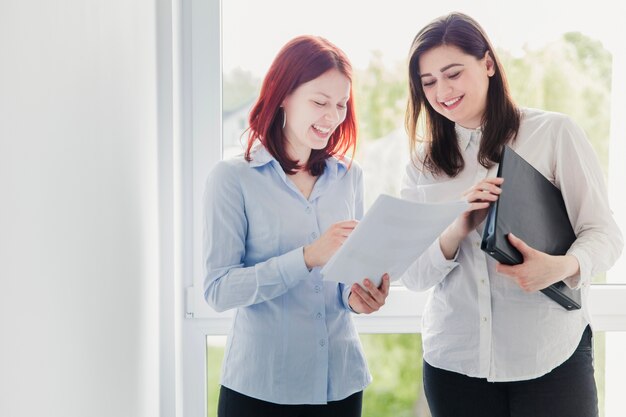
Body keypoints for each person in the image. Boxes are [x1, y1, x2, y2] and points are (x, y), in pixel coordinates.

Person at [400, 12, 623, 417]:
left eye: (453, 73)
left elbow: (604, 234)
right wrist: (459, 224)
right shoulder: (423, 164)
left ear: (487, 64)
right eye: (428, 82)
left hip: (550, 358)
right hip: (455, 364)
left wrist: (560, 267)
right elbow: (414, 276)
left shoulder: (553, 133)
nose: (442, 91)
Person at [203, 35, 390, 417]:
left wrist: (357, 297)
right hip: (261, 387)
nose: (332, 116)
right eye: (319, 102)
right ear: (283, 95)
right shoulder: (232, 177)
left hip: (339, 384)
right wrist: (305, 258)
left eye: (340, 105)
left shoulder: (349, 177)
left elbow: (340, 285)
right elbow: (218, 290)